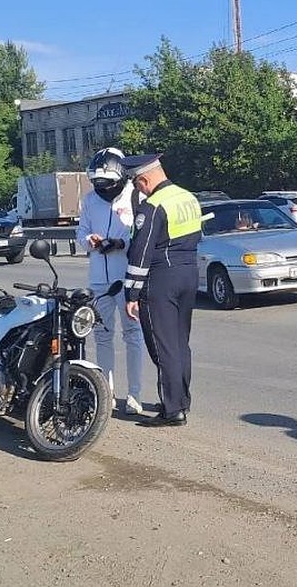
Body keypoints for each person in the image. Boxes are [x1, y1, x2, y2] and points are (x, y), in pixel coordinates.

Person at [121, 153, 203, 427]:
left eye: (136, 183)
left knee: (162, 346)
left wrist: (131, 294)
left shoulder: (152, 206)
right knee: (180, 343)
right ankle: (181, 399)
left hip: (161, 279)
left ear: (143, 179)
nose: (137, 189)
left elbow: (140, 253)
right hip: (189, 273)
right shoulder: (188, 198)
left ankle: (171, 410)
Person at [76, 147, 147, 415]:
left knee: (133, 335)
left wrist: (120, 243)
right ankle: (106, 392)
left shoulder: (136, 196)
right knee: (102, 335)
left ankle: (135, 394)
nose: (102, 189)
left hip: (127, 276)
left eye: (107, 184)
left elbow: (141, 235)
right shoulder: (90, 200)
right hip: (98, 278)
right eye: (98, 184)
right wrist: (90, 241)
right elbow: (80, 231)